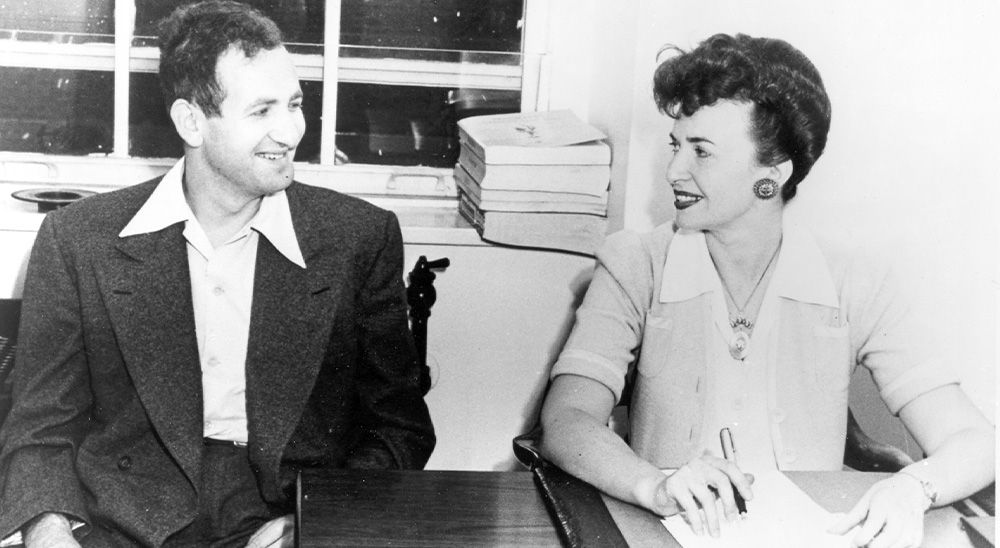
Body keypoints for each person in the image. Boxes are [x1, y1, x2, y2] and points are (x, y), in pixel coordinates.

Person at [0, 1, 435, 546]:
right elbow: (40, 427)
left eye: (295, 104)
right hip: (119, 516)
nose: (291, 130)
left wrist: (317, 522)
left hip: (284, 510)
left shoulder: (358, 239)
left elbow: (398, 428)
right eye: (261, 112)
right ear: (191, 122)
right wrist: (48, 527)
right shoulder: (78, 241)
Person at [538, 33, 994, 548]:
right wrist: (654, 485)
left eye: (702, 152)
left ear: (771, 176)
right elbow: (566, 419)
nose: (673, 171)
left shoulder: (855, 281)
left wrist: (913, 488)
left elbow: (975, 440)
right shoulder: (635, 262)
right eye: (676, 145)